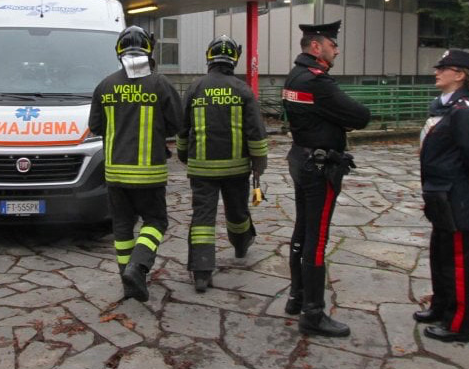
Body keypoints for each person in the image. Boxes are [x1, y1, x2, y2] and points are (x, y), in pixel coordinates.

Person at [281, 21, 371, 337]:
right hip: (319, 168)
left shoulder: (295, 76)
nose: (337, 50)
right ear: (316, 47)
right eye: (333, 45)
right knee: (316, 239)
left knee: (302, 230)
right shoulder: (317, 82)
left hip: (300, 158)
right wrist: (338, 121)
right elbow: (361, 116)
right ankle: (313, 313)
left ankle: (296, 297)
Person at [88, 26, 182, 303]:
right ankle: (138, 267)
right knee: (156, 221)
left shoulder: (104, 86)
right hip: (149, 174)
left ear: (119, 52)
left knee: (122, 227)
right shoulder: (160, 84)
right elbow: (177, 124)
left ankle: (128, 282)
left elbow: (95, 127)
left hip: (115, 174)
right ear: (148, 51)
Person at [176, 35, 269, 293]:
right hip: (236, 170)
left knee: (202, 217)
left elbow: (183, 129)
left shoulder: (195, 88)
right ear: (234, 59)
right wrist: (259, 164)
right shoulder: (242, 90)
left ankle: (201, 272)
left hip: (202, 169)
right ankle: (241, 244)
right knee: (237, 212)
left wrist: (183, 154)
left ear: (209, 58)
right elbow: (255, 131)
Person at [415, 49, 469, 343]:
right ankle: (440, 307)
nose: (437, 72)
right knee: (440, 256)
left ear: (460, 75)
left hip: (458, 197)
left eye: (443, 68)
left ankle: (458, 324)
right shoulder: (443, 108)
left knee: (458, 263)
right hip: (441, 196)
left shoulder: (462, 112)